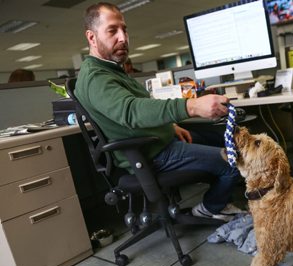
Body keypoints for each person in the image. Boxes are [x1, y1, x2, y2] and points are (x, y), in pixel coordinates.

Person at [75, 2, 244, 221]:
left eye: (124, 29)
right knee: (234, 162)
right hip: (153, 153)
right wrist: (191, 106)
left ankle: (219, 199)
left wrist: (171, 125)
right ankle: (211, 208)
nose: (123, 38)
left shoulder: (110, 69)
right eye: (112, 30)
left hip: (160, 140)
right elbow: (131, 111)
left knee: (222, 141)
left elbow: (140, 103)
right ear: (91, 37)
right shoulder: (96, 78)